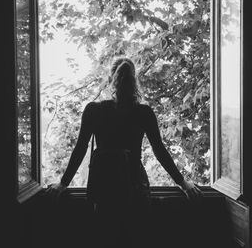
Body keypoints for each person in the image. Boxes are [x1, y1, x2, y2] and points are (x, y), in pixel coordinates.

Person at [46, 58, 202, 247]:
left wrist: (63, 184)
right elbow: (159, 151)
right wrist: (183, 183)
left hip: (105, 189)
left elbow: (80, 148)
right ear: (134, 79)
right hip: (135, 188)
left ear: (111, 78)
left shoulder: (93, 110)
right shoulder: (144, 112)